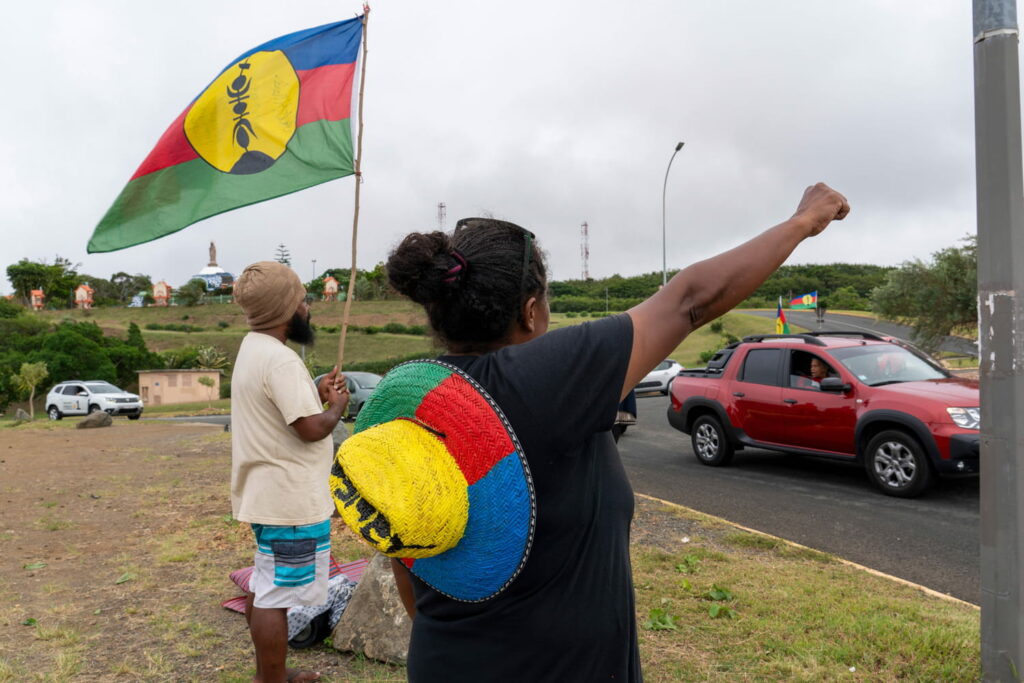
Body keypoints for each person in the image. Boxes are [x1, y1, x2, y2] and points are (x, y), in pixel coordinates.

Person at [378, 183, 848, 681]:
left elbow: (404, 557)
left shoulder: (405, 401)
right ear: (531, 310)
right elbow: (691, 300)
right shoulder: (540, 381)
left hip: (445, 661)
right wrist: (803, 222)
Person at [230, 261, 349, 683]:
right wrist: (336, 407)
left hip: (267, 495)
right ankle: (273, 680)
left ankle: (270, 673)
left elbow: (286, 413)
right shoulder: (280, 360)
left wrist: (316, 395)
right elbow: (310, 429)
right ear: (286, 307)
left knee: (266, 584)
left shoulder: (253, 348)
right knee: (275, 596)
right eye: (302, 299)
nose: (307, 307)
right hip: (289, 501)